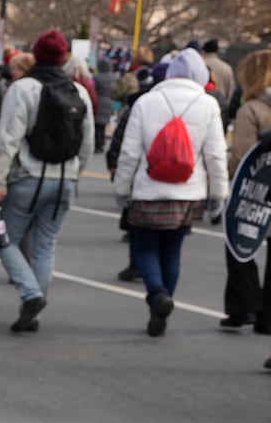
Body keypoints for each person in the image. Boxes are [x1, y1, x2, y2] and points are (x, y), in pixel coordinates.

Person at [112, 47, 230, 336]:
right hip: (188, 191)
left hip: (149, 188)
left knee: (145, 247)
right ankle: (163, 303)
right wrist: (218, 194)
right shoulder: (208, 104)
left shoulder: (146, 101)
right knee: (172, 249)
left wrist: (121, 189)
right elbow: (215, 154)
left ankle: (157, 294)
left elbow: (129, 152)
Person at [0, 30, 96, 334]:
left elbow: (8, 138)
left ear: (36, 54)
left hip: (28, 177)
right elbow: (86, 142)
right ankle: (33, 310)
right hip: (64, 177)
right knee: (45, 245)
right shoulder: (79, 92)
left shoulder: (23, 89)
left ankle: (30, 294)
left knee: (4, 237)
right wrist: (77, 173)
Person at [222, 48, 271, 332]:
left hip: (256, 193)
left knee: (238, 246)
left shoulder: (250, 110)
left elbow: (241, 155)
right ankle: (268, 317)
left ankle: (245, 307)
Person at [93, 57, 119, 152]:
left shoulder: (97, 77)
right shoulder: (114, 77)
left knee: (98, 125)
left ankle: (98, 144)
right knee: (104, 124)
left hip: (99, 101)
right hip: (109, 101)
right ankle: (102, 142)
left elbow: (94, 90)